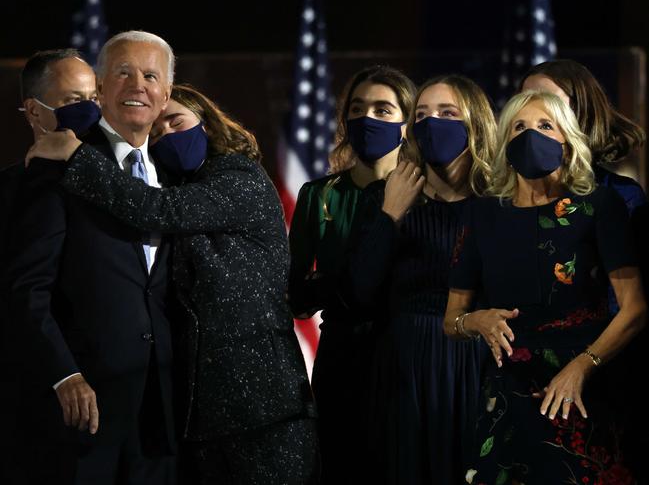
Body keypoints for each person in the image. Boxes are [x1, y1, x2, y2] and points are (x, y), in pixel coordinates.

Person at [26, 83, 319, 485]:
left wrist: (77, 156)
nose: (166, 136)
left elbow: (158, 210)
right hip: (198, 416)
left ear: (208, 124)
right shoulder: (179, 185)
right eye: (157, 132)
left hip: (262, 409)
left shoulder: (241, 178)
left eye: (175, 121)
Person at [444, 90, 646, 484]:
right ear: (505, 143)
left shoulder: (598, 206)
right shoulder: (483, 213)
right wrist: (476, 321)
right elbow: (451, 320)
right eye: (518, 127)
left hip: (580, 389)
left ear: (567, 142)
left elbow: (635, 308)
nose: (529, 134)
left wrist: (582, 367)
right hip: (506, 394)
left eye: (544, 125)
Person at [6, 32, 177, 485]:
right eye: (122, 73)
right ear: (100, 89)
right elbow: (28, 285)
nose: (136, 85)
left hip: (162, 415)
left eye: (150, 76)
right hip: (85, 414)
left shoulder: (183, 175)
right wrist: (65, 374)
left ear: (166, 96)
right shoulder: (57, 166)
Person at [347, 75, 496, 485]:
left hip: (474, 365)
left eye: (447, 114)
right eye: (422, 115)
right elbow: (360, 292)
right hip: (403, 367)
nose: (432, 123)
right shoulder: (385, 196)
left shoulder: (498, 204)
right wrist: (390, 215)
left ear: (476, 125)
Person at [288, 65, 415, 484]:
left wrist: (334, 283)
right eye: (358, 109)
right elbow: (296, 295)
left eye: (383, 109)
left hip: (404, 358)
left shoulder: (425, 194)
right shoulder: (319, 194)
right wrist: (339, 287)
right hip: (341, 359)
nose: (368, 119)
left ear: (406, 121)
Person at [0, 48, 99, 484]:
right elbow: (24, 289)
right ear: (35, 112)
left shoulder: (121, 182)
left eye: (95, 98)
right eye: (75, 101)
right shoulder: (15, 190)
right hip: (48, 402)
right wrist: (64, 372)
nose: (91, 111)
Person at [521, 59, 646, 214]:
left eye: (550, 102)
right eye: (525, 101)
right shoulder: (503, 193)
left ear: (583, 111)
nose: (534, 112)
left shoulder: (621, 195)